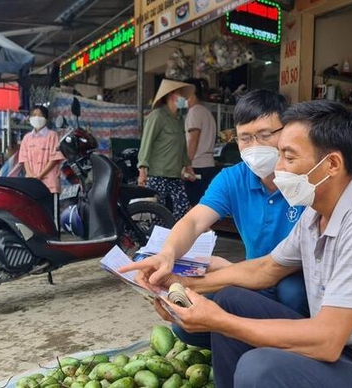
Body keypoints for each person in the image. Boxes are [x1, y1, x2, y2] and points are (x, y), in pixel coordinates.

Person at [123, 100, 352, 388]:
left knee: (259, 368)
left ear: (332, 165)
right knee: (231, 298)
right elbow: (267, 268)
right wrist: (180, 282)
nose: (279, 168)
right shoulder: (315, 214)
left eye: (288, 157)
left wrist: (220, 321)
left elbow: (327, 341)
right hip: (346, 350)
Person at [122, 89, 309, 347]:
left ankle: (293, 349)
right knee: (187, 326)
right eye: (245, 138)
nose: (254, 146)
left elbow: (279, 267)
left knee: (292, 290)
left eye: (265, 135)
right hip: (253, 277)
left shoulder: (307, 179)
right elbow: (194, 221)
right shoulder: (234, 178)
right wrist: (168, 254)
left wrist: (223, 273)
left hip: (295, 279)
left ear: (286, 131)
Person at [137, 80, 196, 221]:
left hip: (174, 173)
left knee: (182, 205)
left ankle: (171, 233)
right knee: (157, 211)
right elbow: (146, 142)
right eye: (181, 95)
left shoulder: (179, 119)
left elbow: (181, 146)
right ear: (172, 96)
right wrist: (142, 169)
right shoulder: (157, 116)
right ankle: (155, 239)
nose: (184, 98)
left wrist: (188, 166)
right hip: (157, 173)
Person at [183, 78, 218, 206]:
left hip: (196, 166)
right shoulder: (206, 112)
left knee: (193, 206)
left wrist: (187, 163)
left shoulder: (195, 112)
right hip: (208, 165)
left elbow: (193, 140)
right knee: (203, 205)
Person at [17, 106, 65, 193]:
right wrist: (31, 176)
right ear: (29, 118)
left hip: (50, 182)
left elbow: (54, 159)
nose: (37, 118)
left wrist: (40, 175)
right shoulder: (27, 138)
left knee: (49, 205)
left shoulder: (52, 135)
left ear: (46, 118)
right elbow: (25, 160)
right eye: (34, 115)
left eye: (40, 115)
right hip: (30, 182)